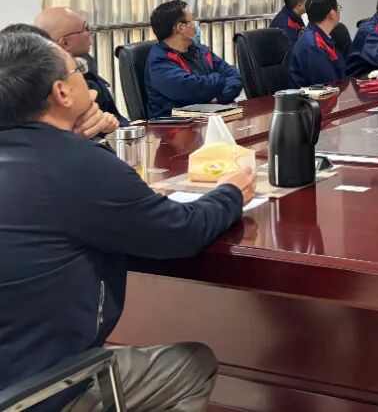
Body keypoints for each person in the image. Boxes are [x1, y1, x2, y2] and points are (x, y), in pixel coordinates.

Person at [0, 30, 256, 412]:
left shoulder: (56, 156)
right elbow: (180, 232)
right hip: (36, 392)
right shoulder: (75, 165)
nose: (87, 80)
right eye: (78, 70)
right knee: (192, 365)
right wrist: (231, 193)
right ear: (62, 92)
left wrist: (81, 139)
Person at [145, 1, 243, 119]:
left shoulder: (201, 51)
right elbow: (190, 89)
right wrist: (219, 78)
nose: (196, 24)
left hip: (209, 118)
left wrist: (217, 98)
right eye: (192, 20)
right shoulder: (158, 61)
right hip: (174, 125)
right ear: (181, 28)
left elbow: (234, 76)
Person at [34, 7, 127, 129]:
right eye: (85, 28)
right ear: (65, 43)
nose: (90, 33)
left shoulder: (86, 61)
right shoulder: (49, 85)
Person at [289, 0, 345, 88]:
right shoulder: (314, 45)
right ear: (332, 14)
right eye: (338, 7)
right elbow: (328, 86)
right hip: (315, 96)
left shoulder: (320, 36)